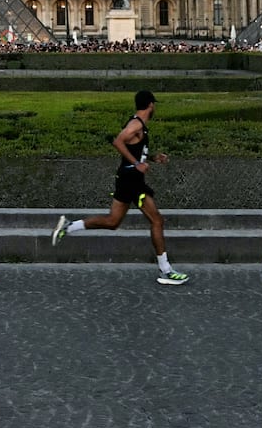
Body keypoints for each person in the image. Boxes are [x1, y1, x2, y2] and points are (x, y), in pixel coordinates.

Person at [51, 90, 187, 285]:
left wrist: (153, 158)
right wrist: (137, 164)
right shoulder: (136, 125)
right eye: (153, 105)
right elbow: (118, 141)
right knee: (157, 220)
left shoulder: (140, 126)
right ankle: (166, 270)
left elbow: (133, 149)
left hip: (127, 179)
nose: (154, 108)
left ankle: (69, 226)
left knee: (113, 222)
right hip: (132, 180)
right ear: (150, 105)